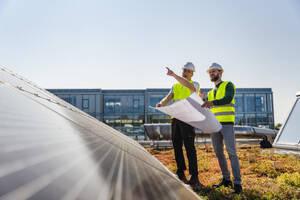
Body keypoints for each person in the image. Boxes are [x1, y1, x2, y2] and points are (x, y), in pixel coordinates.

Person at [156, 62, 200, 186]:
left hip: (188, 119)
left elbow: (188, 86)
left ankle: (194, 176)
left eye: (187, 71)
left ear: (192, 73)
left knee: (190, 148)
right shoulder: (175, 86)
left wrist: (174, 75)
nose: (185, 72)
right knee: (177, 146)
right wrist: (161, 103)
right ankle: (180, 171)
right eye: (184, 70)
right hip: (176, 119)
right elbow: (168, 97)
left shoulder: (194, 84)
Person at [202, 63, 242, 194]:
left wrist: (211, 102)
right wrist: (202, 100)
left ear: (220, 72)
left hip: (227, 125)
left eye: (214, 71)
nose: (212, 74)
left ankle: (237, 184)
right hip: (214, 126)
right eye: (210, 72)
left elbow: (228, 98)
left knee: (232, 152)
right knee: (218, 152)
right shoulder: (210, 93)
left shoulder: (228, 85)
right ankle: (226, 179)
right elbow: (206, 106)